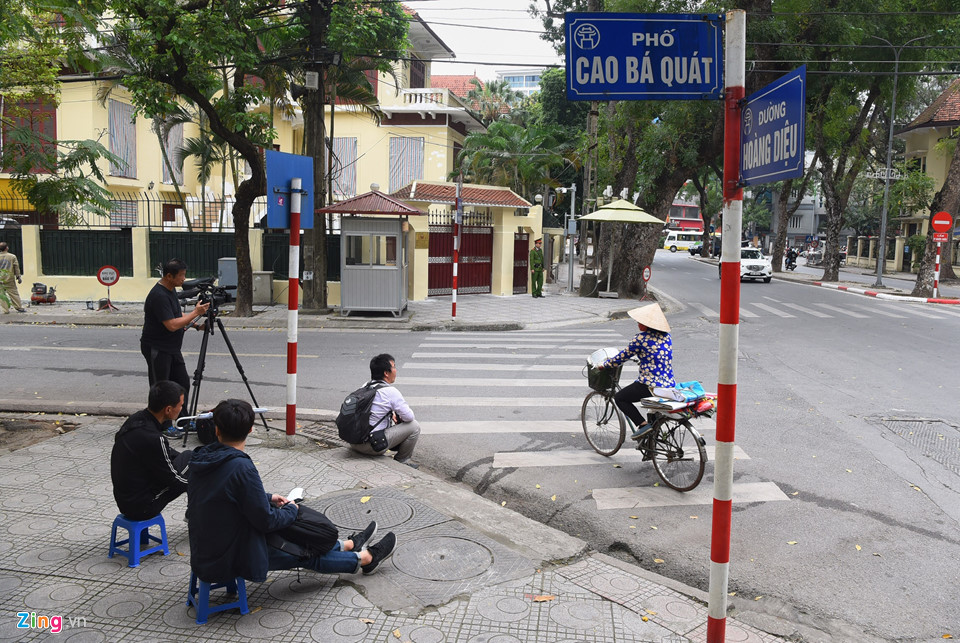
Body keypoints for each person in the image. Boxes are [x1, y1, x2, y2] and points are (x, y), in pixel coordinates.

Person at [187, 399, 397, 584]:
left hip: (206, 547)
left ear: (216, 430)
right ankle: (367, 559)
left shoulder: (203, 457)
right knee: (303, 552)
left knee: (290, 533)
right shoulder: (240, 467)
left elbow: (223, 493)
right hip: (230, 556)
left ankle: (350, 544)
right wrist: (291, 510)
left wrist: (267, 498)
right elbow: (265, 521)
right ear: (251, 429)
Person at [110, 380, 193, 521]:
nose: (182, 408)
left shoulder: (136, 419)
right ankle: (194, 514)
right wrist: (202, 485)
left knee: (188, 457)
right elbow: (173, 480)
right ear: (168, 409)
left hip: (125, 499)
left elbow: (163, 453)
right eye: (181, 405)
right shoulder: (154, 438)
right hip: (142, 507)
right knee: (192, 464)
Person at [598, 303, 675, 440]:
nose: (638, 323)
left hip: (650, 386)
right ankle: (652, 439)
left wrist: (605, 365)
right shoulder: (667, 337)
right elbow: (656, 355)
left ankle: (642, 425)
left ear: (647, 325)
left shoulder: (641, 339)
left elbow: (622, 357)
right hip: (668, 385)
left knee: (620, 398)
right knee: (652, 411)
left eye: (640, 322)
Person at [141, 259, 209, 409]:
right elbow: (171, 325)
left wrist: (197, 326)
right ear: (169, 276)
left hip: (172, 348)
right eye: (181, 275)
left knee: (182, 384)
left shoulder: (171, 290)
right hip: (157, 348)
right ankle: (162, 426)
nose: (184, 278)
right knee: (161, 389)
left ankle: (182, 421)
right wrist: (196, 312)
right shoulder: (159, 296)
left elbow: (177, 316)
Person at [347, 353, 421, 469]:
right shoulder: (391, 391)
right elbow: (409, 417)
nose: (396, 370)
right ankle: (402, 460)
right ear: (386, 373)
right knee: (414, 426)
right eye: (394, 367)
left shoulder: (366, 386)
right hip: (372, 446)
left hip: (355, 442)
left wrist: (391, 413)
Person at [0, 241, 25, 313]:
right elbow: (16, 267)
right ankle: (18, 307)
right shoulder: (12, 256)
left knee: (1, 295)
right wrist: (18, 277)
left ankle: (5, 310)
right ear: (7, 248)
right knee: (14, 293)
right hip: (9, 279)